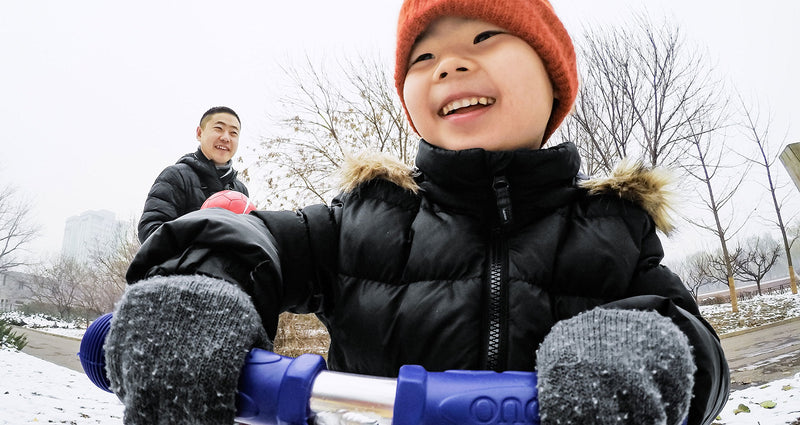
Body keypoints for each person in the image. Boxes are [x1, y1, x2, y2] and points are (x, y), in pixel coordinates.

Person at [104, 1, 730, 424]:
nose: (450, 64)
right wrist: (199, 286)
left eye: (485, 38)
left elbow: (696, 347)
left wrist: (650, 352)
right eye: (423, 59)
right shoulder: (366, 218)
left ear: (553, 79)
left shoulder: (612, 227)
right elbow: (255, 236)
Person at [136, 106, 249, 243]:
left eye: (233, 133)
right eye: (218, 128)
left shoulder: (240, 191)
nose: (226, 138)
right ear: (199, 133)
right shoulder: (176, 176)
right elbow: (150, 231)